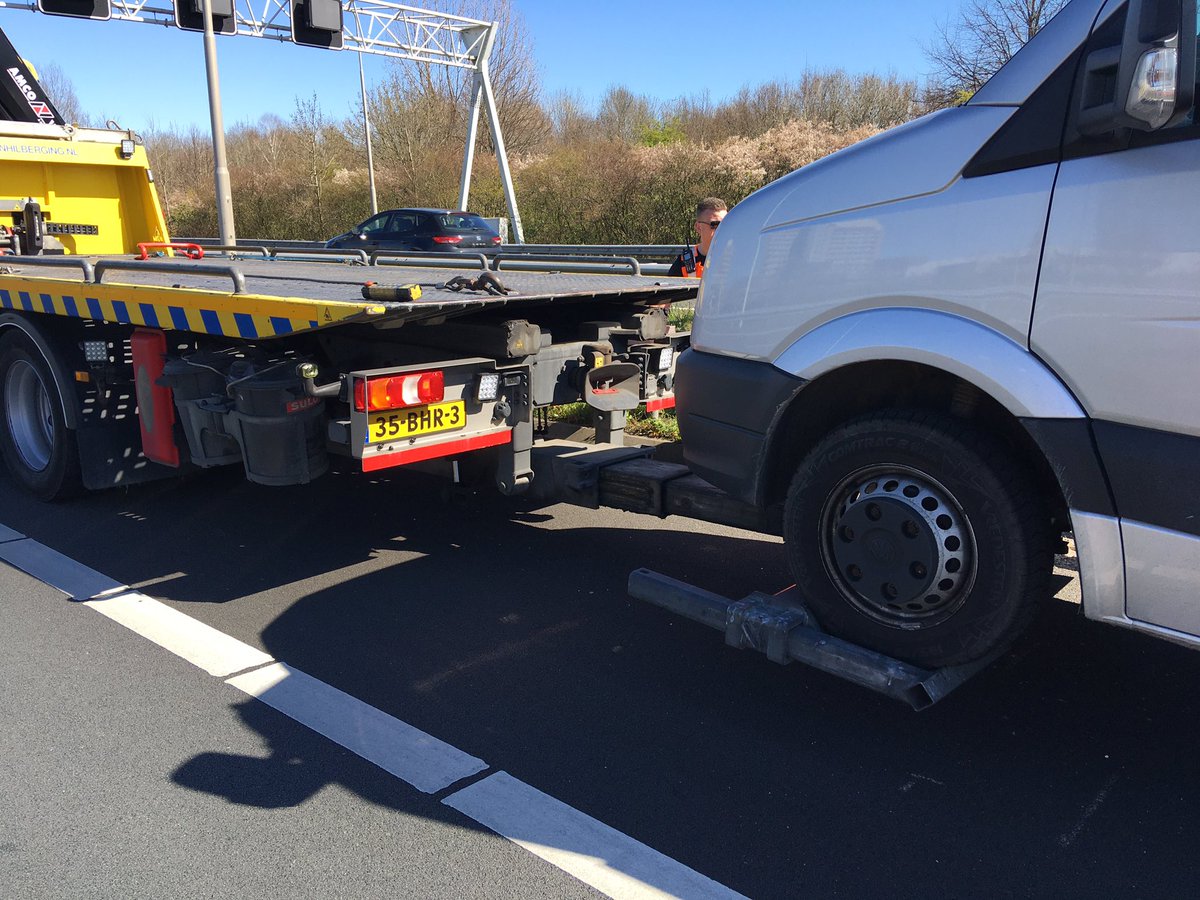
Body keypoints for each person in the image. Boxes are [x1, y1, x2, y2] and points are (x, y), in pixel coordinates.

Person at [667, 197, 728, 277]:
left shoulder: (738, 259)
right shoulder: (683, 264)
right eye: (715, 225)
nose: (721, 230)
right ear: (698, 227)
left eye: (726, 224)